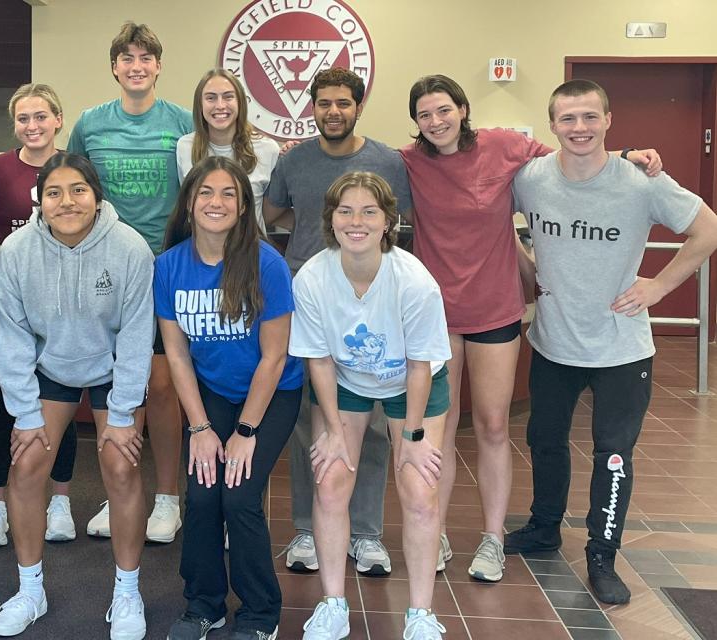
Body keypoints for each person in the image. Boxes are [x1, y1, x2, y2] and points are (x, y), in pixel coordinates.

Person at [402, 74, 663, 582]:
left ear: (463, 108)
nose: (435, 122)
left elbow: (574, 156)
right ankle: (431, 535)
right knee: (441, 430)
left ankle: (493, 539)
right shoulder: (409, 161)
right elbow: (359, 160)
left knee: (494, 428)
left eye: (443, 110)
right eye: (424, 115)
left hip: (495, 310)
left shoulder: (504, 147)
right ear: (415, 122)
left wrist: (630, 154)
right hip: (434, 315)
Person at [508, 79, 717, 605]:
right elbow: (488, 217)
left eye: (589, 118)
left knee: (613, 454)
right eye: (568, 119)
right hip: (554, 342)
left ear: (608, 120)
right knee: (545, 441)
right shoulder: (531, 179)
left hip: (621, 349)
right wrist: (526, 265)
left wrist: (660, 286)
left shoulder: (641, 181)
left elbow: (708, 229)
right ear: (552, 124)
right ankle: (544, 527)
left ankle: (602, 554)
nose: (579, 128)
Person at [0, 152, 154, 639]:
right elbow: (11, 335)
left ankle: (127, 590)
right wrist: (23, 412)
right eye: (54, 192)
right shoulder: (16, 251)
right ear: (40, 200)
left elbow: (137, 335)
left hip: (112, 367)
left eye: (78, 189)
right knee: (26, 464)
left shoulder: (129, 248)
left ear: (96, 195)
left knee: (121, 467)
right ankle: (29, 589)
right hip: (50, 367)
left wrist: (122, 413)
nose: (67, 201)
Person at [263, 67, 412, 577]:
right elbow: (275, 211)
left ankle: (366, 534)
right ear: (312, 107)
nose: (333, 111)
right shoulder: (295, 160)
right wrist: (313, 235)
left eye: (342, 103)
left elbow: (399, 224)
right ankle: (306, 527)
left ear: (358, 105)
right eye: (323, 103)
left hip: (371, 303)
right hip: (308, 299)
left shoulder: (387, 162)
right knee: (313, 423)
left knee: (369, 425)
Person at [291, 172, 450, 640]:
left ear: (387, 223)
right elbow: (318, 361)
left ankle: (420, 614)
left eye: (368, 212)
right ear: (331, 220)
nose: (355, 221)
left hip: (412, 385)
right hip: (346, 381)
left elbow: (421, 366)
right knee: (332, 482)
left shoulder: (415, 281)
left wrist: (413, 437)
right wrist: (335, 433)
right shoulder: (313, 277)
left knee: (419, 491)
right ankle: (333, 603)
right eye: (345, 211)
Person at [156, 157, 302, 640]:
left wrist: (244, 433)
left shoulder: (268, 264)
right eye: (205, 193)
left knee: (238, 497)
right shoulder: (169, 266)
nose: (215, 203)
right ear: (190, 202)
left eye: (228, 195)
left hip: (271, 393)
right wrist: (199, 428)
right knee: (200, 495)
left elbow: (274, 358)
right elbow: (176, 355)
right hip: (212, 394)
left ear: (243, 208)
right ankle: (204, 605)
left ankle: (261, 614)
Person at [68, 21, 193, 543]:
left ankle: (167, 499)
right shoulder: (91, 123)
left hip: (166, 265)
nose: (136, 66)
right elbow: (69, 184)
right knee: (114, 388)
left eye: (146, 58)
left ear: (158, 67)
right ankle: (119, 490)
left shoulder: (182, 123)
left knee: (162, 387)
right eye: (127, 59)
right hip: (107, 265)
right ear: (115, 68)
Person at [0, 83, 79, 546]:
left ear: (58, 119)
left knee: (62, 398)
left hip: (64, 300)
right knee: (4, 404)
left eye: (41, 116)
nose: (32, 126)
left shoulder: (75, 166)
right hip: (12, 298)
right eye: (23, 119)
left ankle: (61, 501)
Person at [176, 68, 281, 232]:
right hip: (203, 248)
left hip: (252, 250)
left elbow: (274, 212)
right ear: (200, 105)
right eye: (211, 98)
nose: (220, 105)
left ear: (240, 102)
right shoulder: (185, 147)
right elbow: (187, 207)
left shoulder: (268, 149)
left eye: (228, 97)